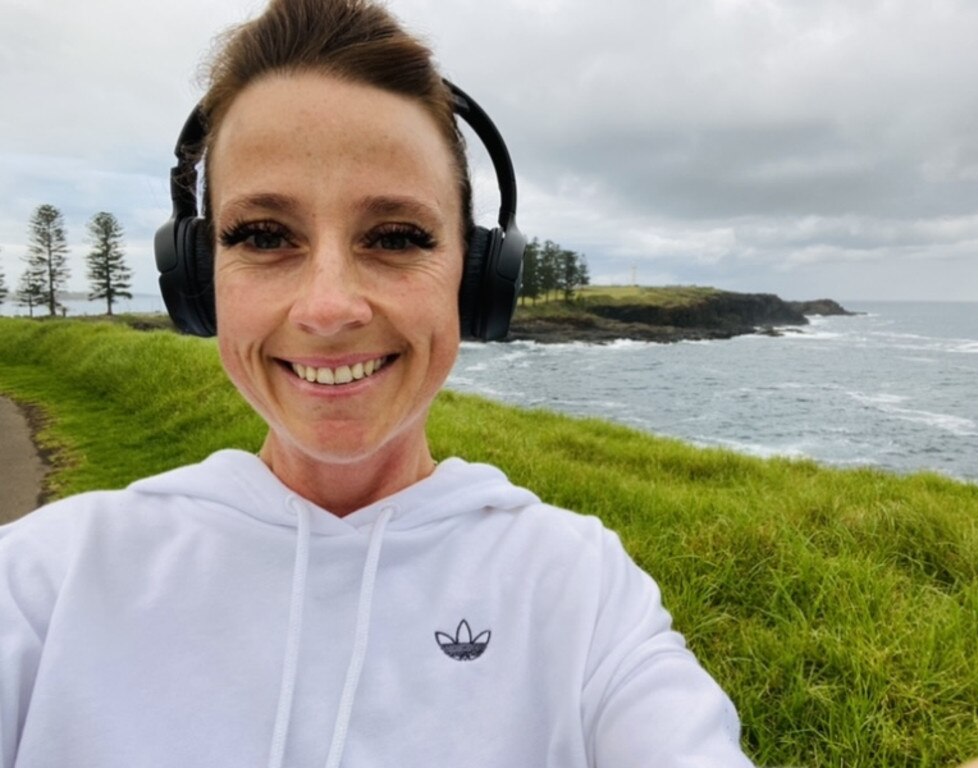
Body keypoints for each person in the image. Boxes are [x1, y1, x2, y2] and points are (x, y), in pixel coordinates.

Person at [0, 1, 754, 765]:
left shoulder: (581, 591)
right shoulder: (42, 583)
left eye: (396, 237)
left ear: (474, 279)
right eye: (263, 236)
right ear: (199, 279)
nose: (329, 309)